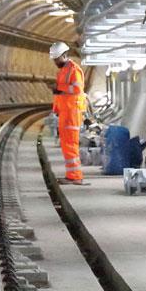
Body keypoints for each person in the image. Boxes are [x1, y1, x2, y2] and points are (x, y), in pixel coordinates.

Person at [49, 42, 88, 184]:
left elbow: (77, 89)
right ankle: (71, 175)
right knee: (66, 145)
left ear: (65, 55)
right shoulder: (63, 70)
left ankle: (76, 176)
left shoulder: (74, 69)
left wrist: (58, 87)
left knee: (70, 144)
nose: (55, 62)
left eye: (57, 59)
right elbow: (62, 93)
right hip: (65, 112)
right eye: (54, 59)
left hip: (72, 113)